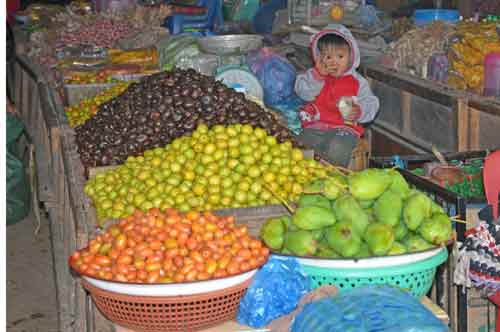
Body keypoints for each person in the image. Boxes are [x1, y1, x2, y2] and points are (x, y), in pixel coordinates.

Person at [295, 24, 379, 167]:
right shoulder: (315, 76)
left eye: (340, 56)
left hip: (344, 129)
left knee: (337, 147)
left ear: (351, 57)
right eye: (328, 57)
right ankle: (307, 175)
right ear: (319, 58)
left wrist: (359, 111)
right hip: (317, 126)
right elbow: (303, 92)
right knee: (302, 144)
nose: (334, 62)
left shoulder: (357, 81)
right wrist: (318, 76)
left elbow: (371, 102)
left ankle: (333, 178)